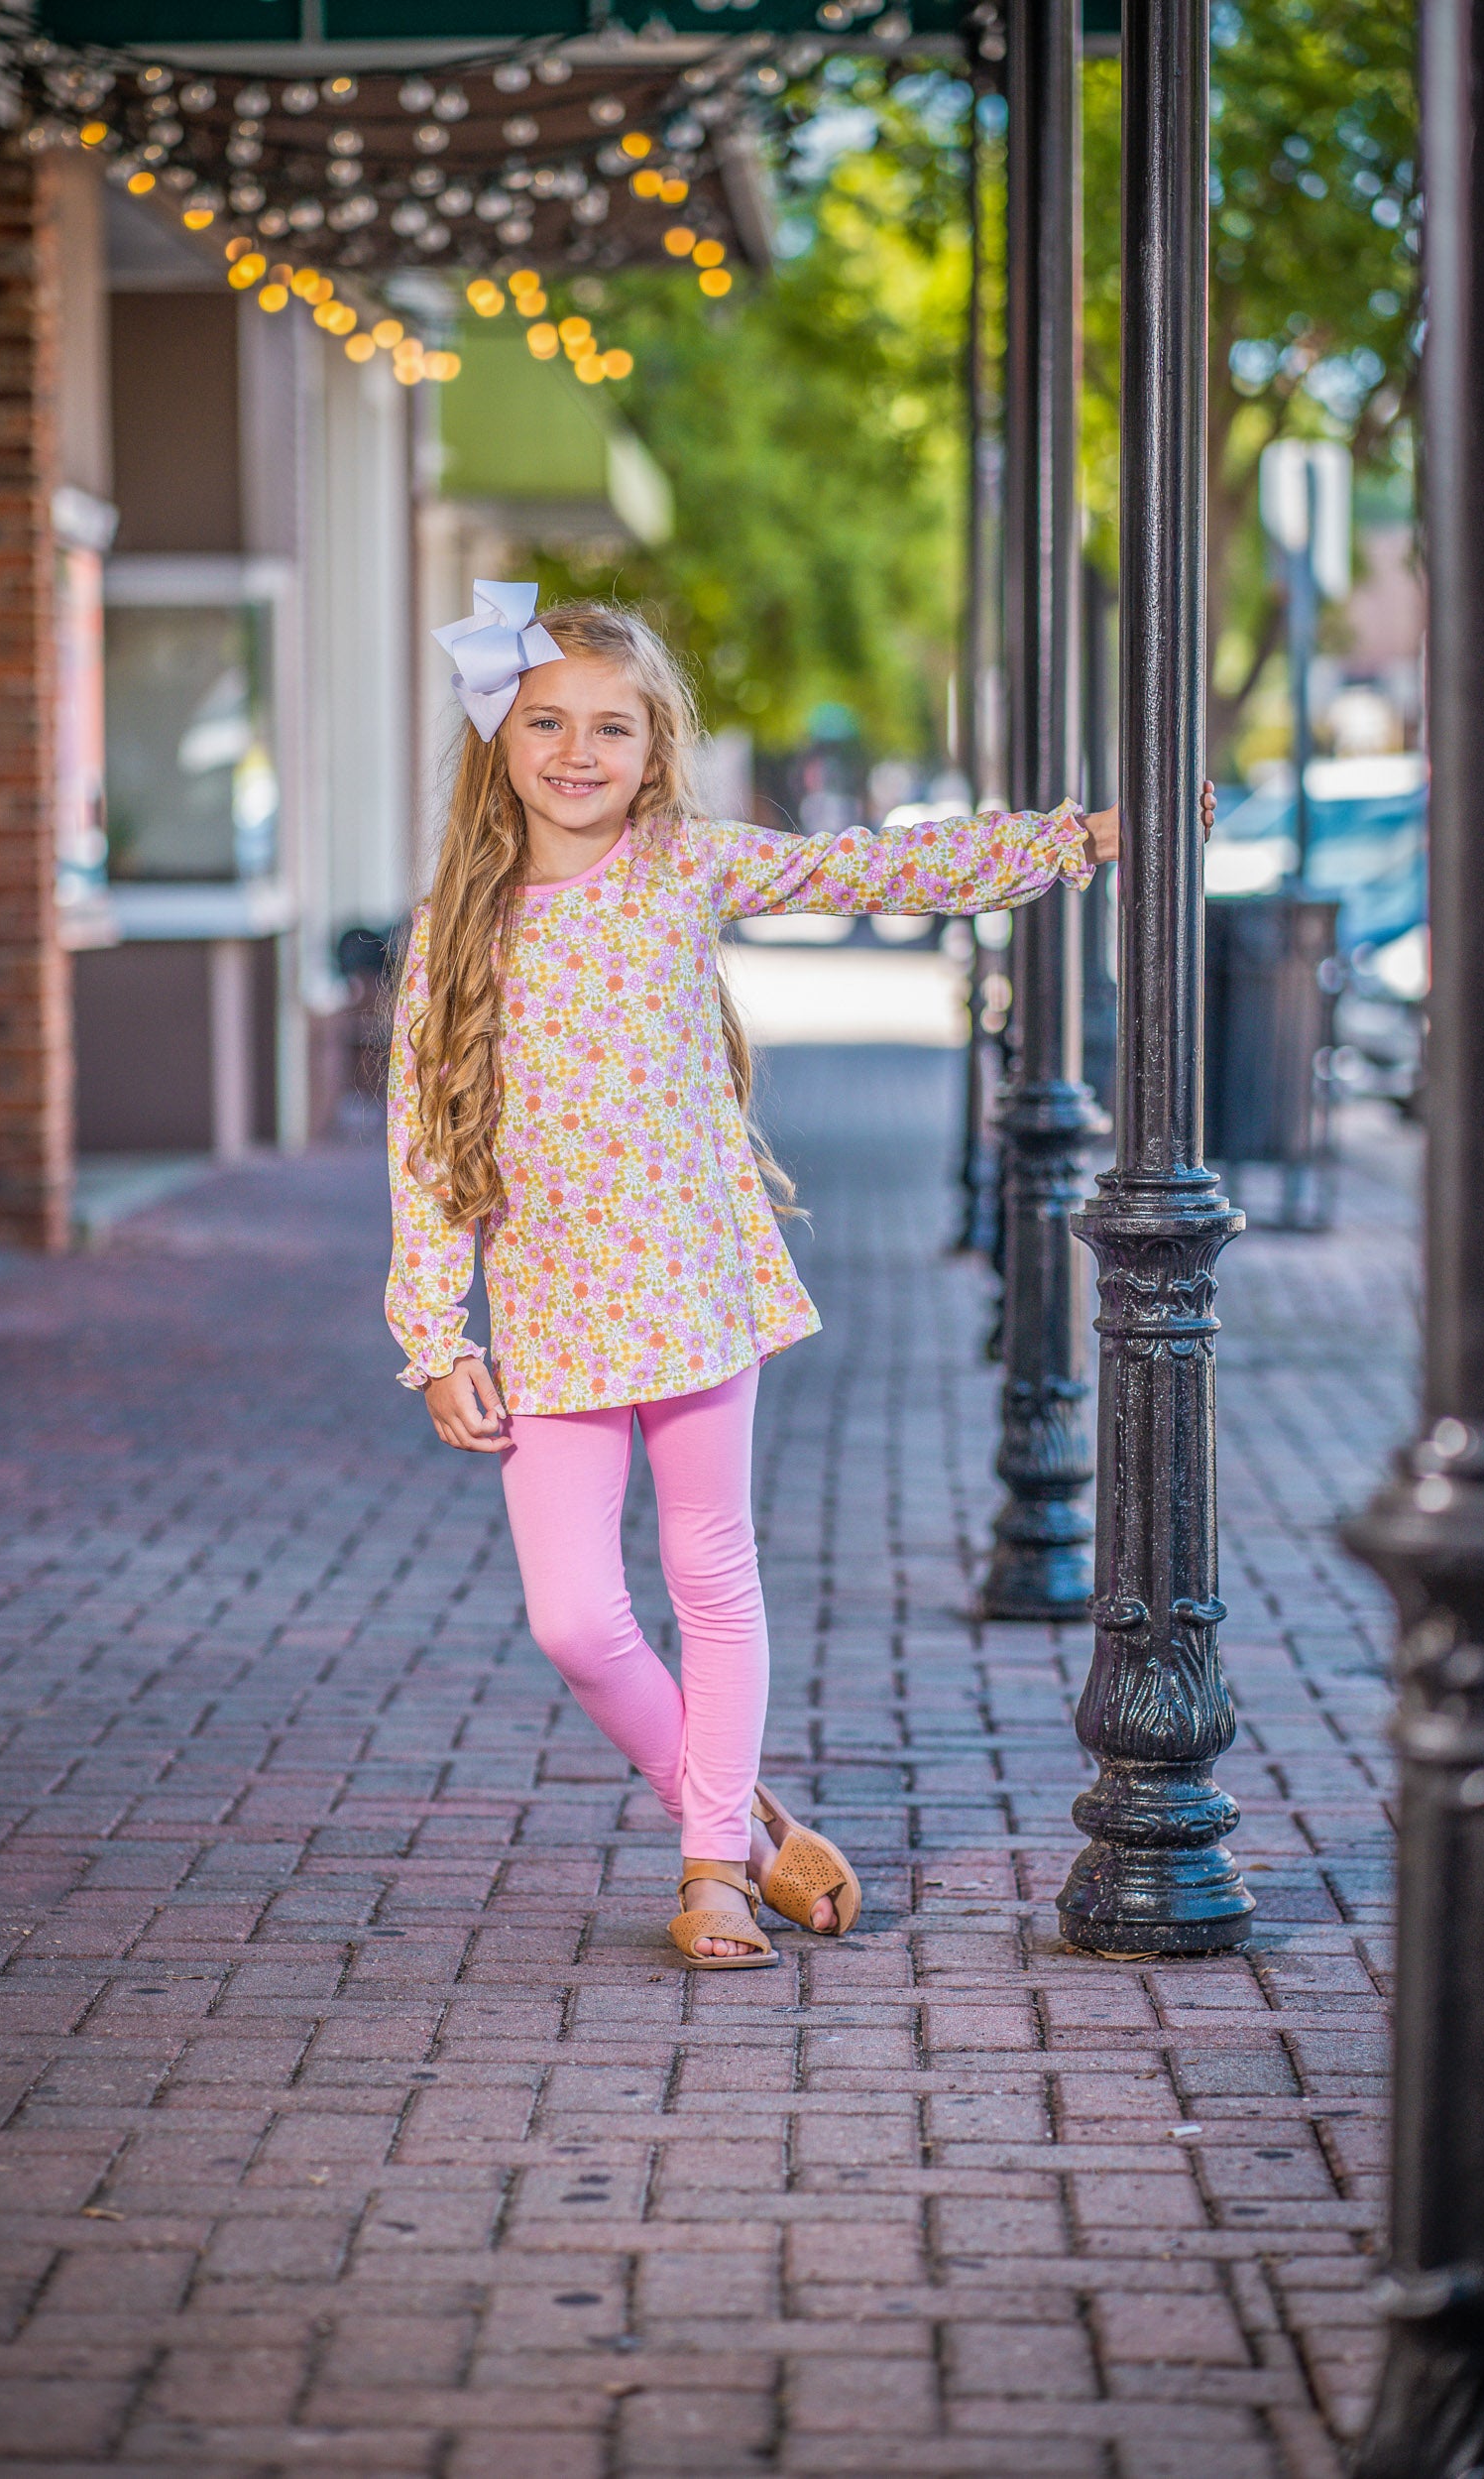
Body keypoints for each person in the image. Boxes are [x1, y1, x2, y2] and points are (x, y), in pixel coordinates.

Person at [386, 586, 1121, 1970]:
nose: (578, 751)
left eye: (612, 727)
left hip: (692, 1290)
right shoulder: (455, 928)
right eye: (546, 722)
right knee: (575, 1621)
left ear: (655, 751)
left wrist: (1074, 839)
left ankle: (713, 1871)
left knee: (710, 1579)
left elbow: (876, 870)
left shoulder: (680, 868)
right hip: (548, 1312)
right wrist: (437, 1334)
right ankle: (754, 1819)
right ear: (499, 738)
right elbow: (426, 1141)